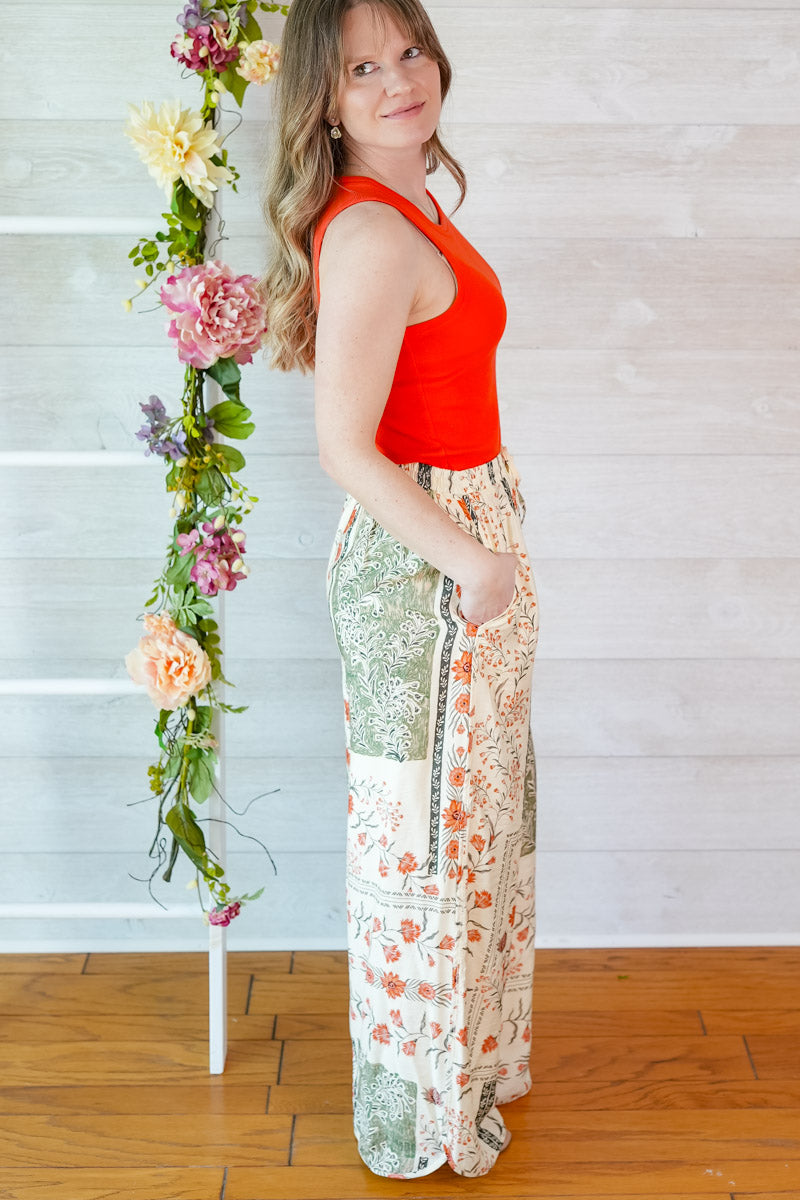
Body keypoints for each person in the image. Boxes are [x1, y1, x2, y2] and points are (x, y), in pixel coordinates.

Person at [259, 0, 540, 1179]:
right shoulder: (371, 233)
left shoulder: (413, 203)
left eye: (406, 51)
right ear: (324, 100)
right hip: (425, 567)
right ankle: (414, 1120)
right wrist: (470, 557)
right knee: (423, 849)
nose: (393, 81)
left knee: (469, 832)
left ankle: (463, 1073)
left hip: (462, 536)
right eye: (359, 68)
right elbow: (344, 444)